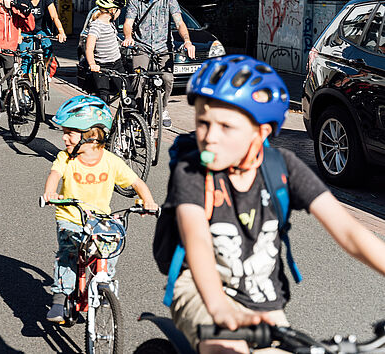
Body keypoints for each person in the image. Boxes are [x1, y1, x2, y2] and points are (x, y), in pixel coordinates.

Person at [155, 55, 385, 353]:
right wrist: (218, 308)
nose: (209, 137)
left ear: (261, 132)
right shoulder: (192, 171)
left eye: (226, 126)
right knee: (225, 348)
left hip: (262, 296)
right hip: (202, 289)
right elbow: (196, 239)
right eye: (202, 122)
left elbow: (349, 232)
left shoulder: (282, 167)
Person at [42, 95, 157, 323]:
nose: (64, 138)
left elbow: (136, 182)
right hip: (71, 217)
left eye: (70, 133)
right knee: (69, 254)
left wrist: (148, 201)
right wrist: (50, 194)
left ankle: (103, 282)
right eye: (64, 132)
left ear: (91, 135)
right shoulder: (66, 158)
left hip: (100, 219)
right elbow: (54, 175)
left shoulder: (111, 161)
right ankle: (60, 297)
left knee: (109, 249)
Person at [122, 0, 195, 128]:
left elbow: (179, 22)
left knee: (168, 79)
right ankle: (139, 113)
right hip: (142, 46)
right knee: (138, 78)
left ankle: (163, 108)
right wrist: (128, 37)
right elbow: (128, 23)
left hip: (163, 48)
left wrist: (187, 41)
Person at [16, 0, 67, 76]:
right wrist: (18, 35)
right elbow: (19, 19)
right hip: (26, 31)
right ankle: (26, 86)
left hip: (41, 30)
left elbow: (54, 17)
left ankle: (44, 70)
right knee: (26, 59)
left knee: (48, 49)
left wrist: (61, 32)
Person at [85, 0, 127, 103]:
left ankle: (127, 118)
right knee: (104, 96)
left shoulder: (110, 24)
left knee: (127, 92)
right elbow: (89, 48)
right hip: (101, 66)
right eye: (119, 9)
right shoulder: (96, 26)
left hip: (117, 64)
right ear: (113, 10)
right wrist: (92, 64)